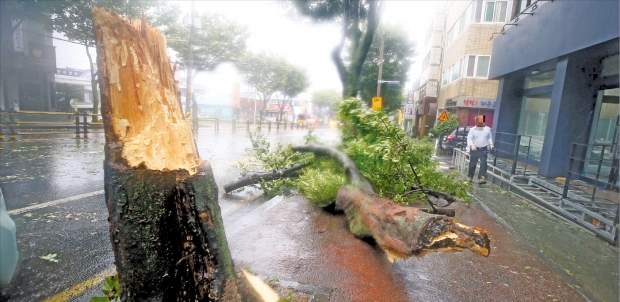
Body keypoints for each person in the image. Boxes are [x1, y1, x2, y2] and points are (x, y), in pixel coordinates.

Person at [467, 115, 494, 184]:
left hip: (483, 148)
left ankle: (481, 177)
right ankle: (470, 176)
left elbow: (489, 137)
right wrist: (472, 145)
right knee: (473, 163)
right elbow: (469, 138)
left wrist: (491, 144)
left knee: (483, 163)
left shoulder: (487, 129)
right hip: (475, 148)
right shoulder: (472, 130)